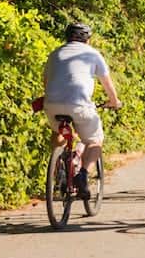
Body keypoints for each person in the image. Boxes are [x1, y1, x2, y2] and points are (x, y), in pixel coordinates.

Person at [42, 22, 122, 199]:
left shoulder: (55, 53)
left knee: (58, 132)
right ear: (88, 39)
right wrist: (114, 101)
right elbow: (107, 83)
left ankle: (59, 168)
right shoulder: (92, 54)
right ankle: (83, 175)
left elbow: (46, 81)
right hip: (79, 105)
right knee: (95, 141)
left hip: (52, 104)